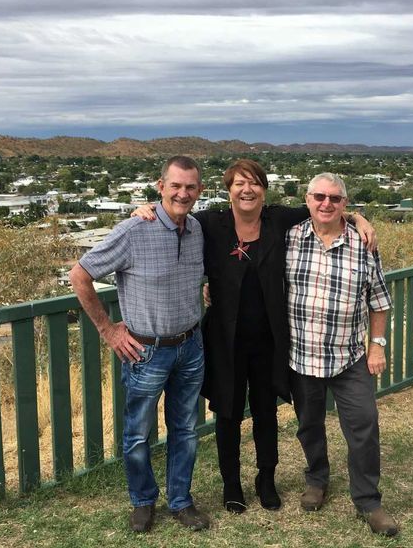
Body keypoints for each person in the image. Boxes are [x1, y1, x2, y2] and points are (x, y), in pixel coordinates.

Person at [131, 159, 376, 514]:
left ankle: (266, 479)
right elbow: (175, 213)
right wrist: (147, 208)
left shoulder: (278, 220)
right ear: (227, 189)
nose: (247, 189)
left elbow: (325, 208)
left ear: (264, 190)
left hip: (270, 340)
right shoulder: (210, 224)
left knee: (265, 412)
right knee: (227, 414)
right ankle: (232, 484)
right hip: (224, 340)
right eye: (239, 183)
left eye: (255, 183)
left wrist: (359, 218)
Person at [68, 155, 210, 534]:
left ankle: (180, 501)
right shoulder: (133, 230)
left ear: (200, 191)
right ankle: (143, 501)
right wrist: (109, 330)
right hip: (145, 351)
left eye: (190, 187)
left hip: (190, 346)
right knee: (137, 434)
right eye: (175, 185)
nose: (183, 193)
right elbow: (79, 274)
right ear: (160, 186)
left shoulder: (197, 229)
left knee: (185, 429)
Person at [285, 172, 398, 537]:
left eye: (335, 198)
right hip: (301, 357)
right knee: (309, 426)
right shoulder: (290, 239)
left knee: (364, 427)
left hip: (349, 358)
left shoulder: (363, 245)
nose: (326, 203)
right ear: (307, 199)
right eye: (319, 196)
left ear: (345, 205)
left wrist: (376, 346)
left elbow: (379, 301)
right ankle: (317, 480)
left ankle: (368, 501)